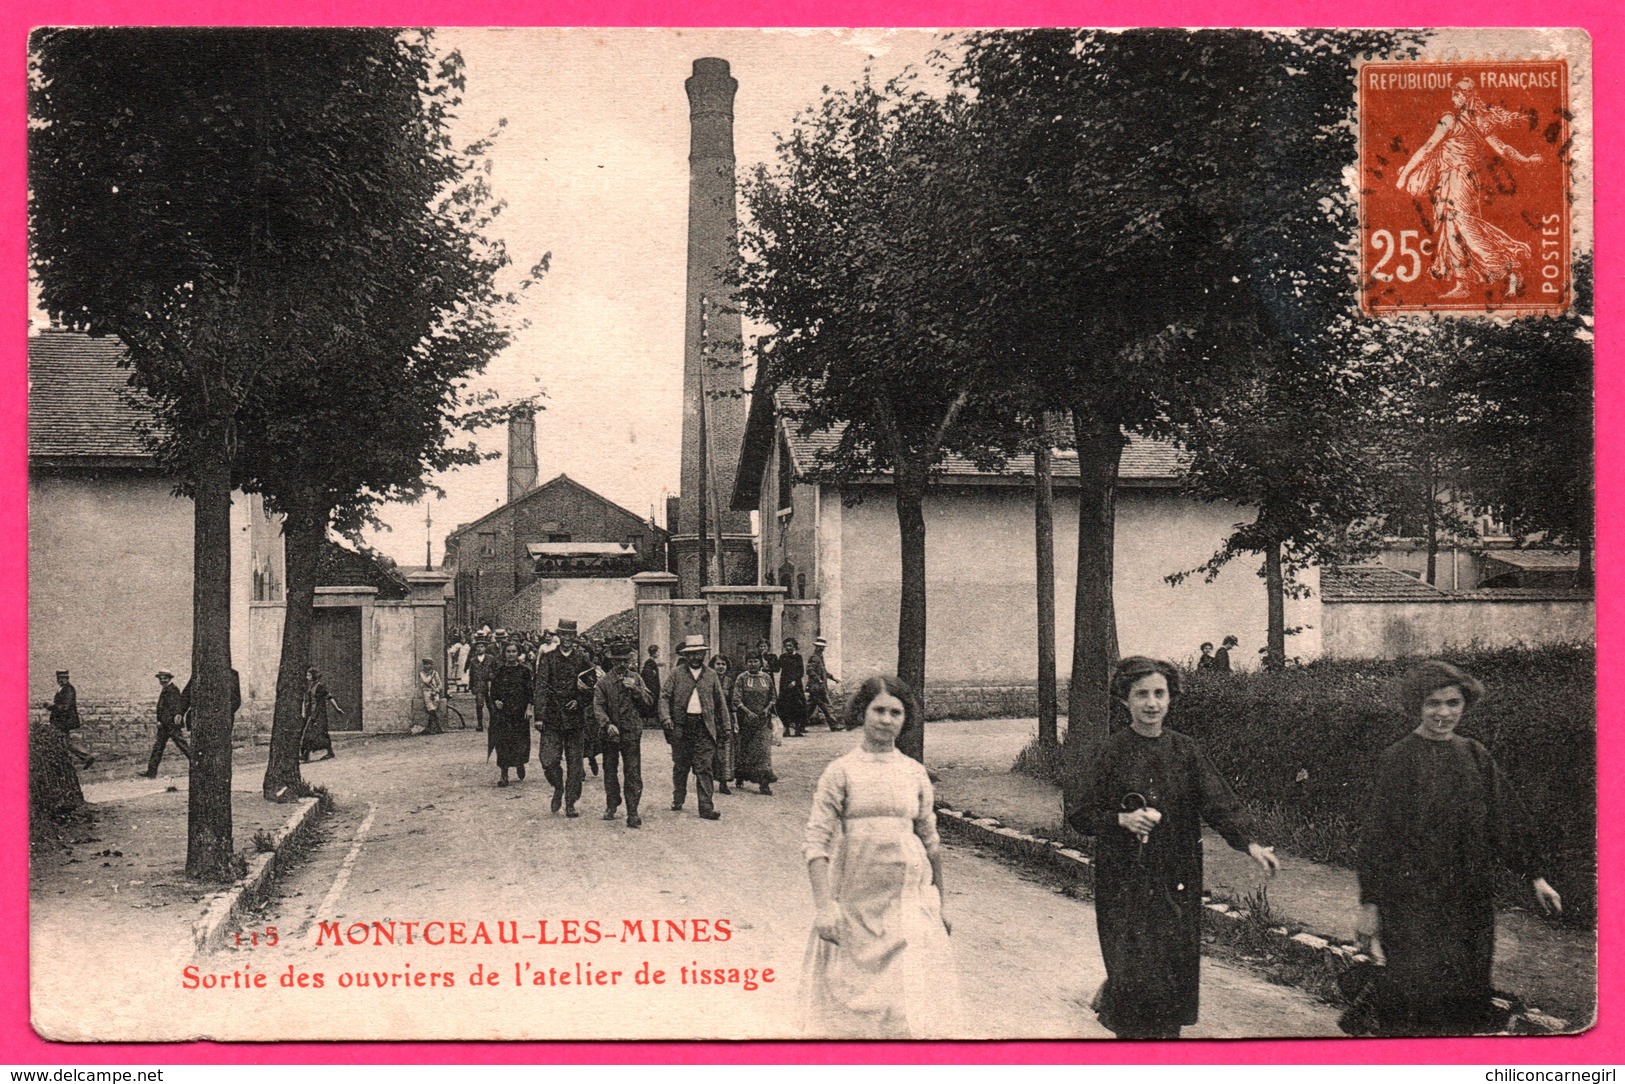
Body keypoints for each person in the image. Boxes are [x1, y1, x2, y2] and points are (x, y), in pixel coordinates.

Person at [1065, 655, 1279, 1039]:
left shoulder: (1186, 751)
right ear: (1124, 701)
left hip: (1177, 877)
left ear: (1171, 699)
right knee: (1134, 982)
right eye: (1141, 694)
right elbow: (1080, 813)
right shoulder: (1110, 753)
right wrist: (1120, 820)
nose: (1152, 703)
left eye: (1159, 693)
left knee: (1170, 981)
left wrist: (1251, 844)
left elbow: (1219, 803)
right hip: (1124, 881)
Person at [1355, 660, 1562, 1036]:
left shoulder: (1475, 756)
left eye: (1453, 703)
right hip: (1410, 905)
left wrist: (1536, 876)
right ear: (1416, 706)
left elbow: (1506, 820)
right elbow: (1376, 840)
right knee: (1411, 1004)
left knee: (1465, 1001)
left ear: (1465, 705)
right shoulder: (1397, 760)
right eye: (1433, 703)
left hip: (1468, 901)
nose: (1443, 713)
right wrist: (1370, 905)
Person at [799, 675, 963, 1038]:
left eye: (896, 712)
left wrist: (941, 903)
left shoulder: (914, 772)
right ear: (862, 712)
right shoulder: (840, 771)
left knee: (908, 1001)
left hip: (908, 899)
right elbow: (817, 843)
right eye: (878, 710)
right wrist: (825, 907)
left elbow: (931, 842)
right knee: (851, 1001)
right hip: (856, 897)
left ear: (906, 719)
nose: (886, 720)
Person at [1395, 78, 1542, 300]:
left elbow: (1427, 148)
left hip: (1460, 179)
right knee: (1452, 229)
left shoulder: (1452, 120)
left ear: (1466, 97)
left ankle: (1510, 266)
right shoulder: (1475, 121)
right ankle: (1463, 283)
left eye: (1458, 93)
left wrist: (1405, 175)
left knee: (1466, 228)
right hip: (1455, 179)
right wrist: (1525, 159)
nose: (1454, 97)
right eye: (1454, 93)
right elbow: (1502, 148)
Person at [659, 634, 730, 821]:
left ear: (703, 655)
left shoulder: (711, 675)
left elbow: (720, 703)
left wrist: (727, 727)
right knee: (681, 766)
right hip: (682, 727)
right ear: (686, 656)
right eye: (691, 654)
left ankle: (706, 807)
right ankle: (678, 797)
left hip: (704, 727)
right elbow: (664, 696)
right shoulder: (677, 674)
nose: (695, 658)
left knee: (704, 767)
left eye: (699, 654)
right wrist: (666, 717)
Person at [535, 619, 593, 816]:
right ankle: (558, 787)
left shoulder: (583, 659)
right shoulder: (548, 658)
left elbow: (591, 686)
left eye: (571, 635)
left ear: (575, 637)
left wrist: (579, 700)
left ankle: (570, 802)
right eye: (564, 635)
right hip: (552, 717)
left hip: (575, 719)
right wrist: (539, 716)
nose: (567, 639)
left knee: (575, 764)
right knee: (548, 760)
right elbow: (540, 687)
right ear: (558, 636)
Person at [593, 640, 653, 828]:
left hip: (631, 733)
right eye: (617, 661)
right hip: (610, 734)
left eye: (624, 661)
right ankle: (612, 804)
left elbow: (649, 702)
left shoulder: (636, 678)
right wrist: (607, 723)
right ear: (611, 662)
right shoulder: (604, 682)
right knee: (610, 771)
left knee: (633, 772)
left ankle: (633, 812)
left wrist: (635, 690)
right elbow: (598, 706)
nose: (621, 665)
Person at [731, 652, 778, 795]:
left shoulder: (767, 678)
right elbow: (736, 699)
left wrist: (767, 709)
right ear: (746, 663)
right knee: (746, 750)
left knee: (763, 752)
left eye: (756, 661)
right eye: (750, 661)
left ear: (761, 662)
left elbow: (773, 697)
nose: (753, 664)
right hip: (746, 721)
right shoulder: (742, 678)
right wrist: (747, 712)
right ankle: (741, 776)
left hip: (763, 721)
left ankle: (764, 784)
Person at [487, 642, 533, 787]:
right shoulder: (500, 671)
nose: (511, 654)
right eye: (508, 651)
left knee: (520, 742)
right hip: (504, 713)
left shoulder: (524, 671)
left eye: (514, 651)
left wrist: (529, 708)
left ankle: (520, 763)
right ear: (504, 653)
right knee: (503, 743)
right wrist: (496, 701)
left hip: (520, 713)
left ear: (518, 653)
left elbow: (530, 692)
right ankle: (504, 774)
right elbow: (493, 691)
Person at [43, 670, 95, 769]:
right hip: (61, 720)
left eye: (63, 678)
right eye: (59, 679)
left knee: (64, 742)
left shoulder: (68, 690)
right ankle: (81, 758)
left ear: (67, 678)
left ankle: (86, 757)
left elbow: (65, 707)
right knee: (63, 741)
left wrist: (52, 706)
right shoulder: (62, 689)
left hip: (64, 721)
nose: (60, 680)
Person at [143, 670, 188, 778]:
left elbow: (172, 709)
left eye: (165, 678)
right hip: (165, 725)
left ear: (169, 679)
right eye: (161, 678)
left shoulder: (172, 690)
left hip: (170, 725)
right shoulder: (166, 690)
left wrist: (162, 722)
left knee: (182, 745)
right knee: (158, 748)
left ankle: (198, 766)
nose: (162, 680)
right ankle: (151, 773)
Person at [300, 667, 342, 762]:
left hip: (319, 714)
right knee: (319, 733)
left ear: (314, 676)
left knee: (310, 733)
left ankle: (306, 756)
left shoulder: (320, 686)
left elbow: (329, 697)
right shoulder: (311, 685)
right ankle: (329, 752)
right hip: (312, 712)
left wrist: (337, 708)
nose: (307, 677)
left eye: (309, 675)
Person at [709, 655, 737, 795]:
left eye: (723, 664)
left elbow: (732, 703)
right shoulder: (707, 680)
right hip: (710, 719)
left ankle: (723, 782)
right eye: (718, 664)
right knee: (709, 750)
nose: (721, 667)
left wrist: (734, 721)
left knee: (725, 751)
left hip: (725, 720)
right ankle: (706, 781)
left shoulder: (729, 682)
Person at [806, 637, 841, 730]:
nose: (822, 649)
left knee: (810, 707)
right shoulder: (814, 657)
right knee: (827, 706)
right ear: (817, 647)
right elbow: (809, 670)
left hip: (819, 687)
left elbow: (824, 672)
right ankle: (834, 725)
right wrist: (819, 680)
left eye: (823, 647)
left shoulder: (820, 657)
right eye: (821, 647)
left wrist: (833, 678)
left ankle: (800, 724)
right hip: (817, 687)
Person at [776, 637, 809, 737]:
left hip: (796, 686)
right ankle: (786, 730)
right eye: (786, 646)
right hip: (785, 685)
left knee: (798, 706)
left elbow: (801, 672)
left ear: (794, 646)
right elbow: (777, 668)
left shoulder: (798, 657)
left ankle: (798, 729)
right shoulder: (782, 657)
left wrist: (795, 681)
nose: (788, 648)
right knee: (784, 706)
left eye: (790, 646)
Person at [467, 640, 495, 735]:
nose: (480, 648)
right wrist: (471, 686)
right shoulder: (473, 660)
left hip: (489, 685)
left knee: (491, 705)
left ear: (485, 648)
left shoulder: (490, 658)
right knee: (479, 705)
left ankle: (493, 724)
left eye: (482, 646)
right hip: (479, 685)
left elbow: (495, 670)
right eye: (478, 647)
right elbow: (471, 674)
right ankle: (480, 724)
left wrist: (493, 677)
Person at [417, 659, 445, 735]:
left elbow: (440, 684)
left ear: (431, 665)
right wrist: (431, 675)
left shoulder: (435, 673)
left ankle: (429, 728)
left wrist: (436, 690)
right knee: (431, 709)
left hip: (435, 692)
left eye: (429, 664)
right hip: (426, 691)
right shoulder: (422, 673)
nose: (427, 666)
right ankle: (438, 728)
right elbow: (426, 681)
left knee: (433, 710)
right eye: (425, 664)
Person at [640, 645, 663, 726]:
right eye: (658, 652)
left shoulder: (652, 662)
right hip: (652, 687)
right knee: (651, 703)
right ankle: (650, 721)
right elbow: (648, 676)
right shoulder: (650, 662)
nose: (659, 653)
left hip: (654, 686)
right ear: (654, 653)